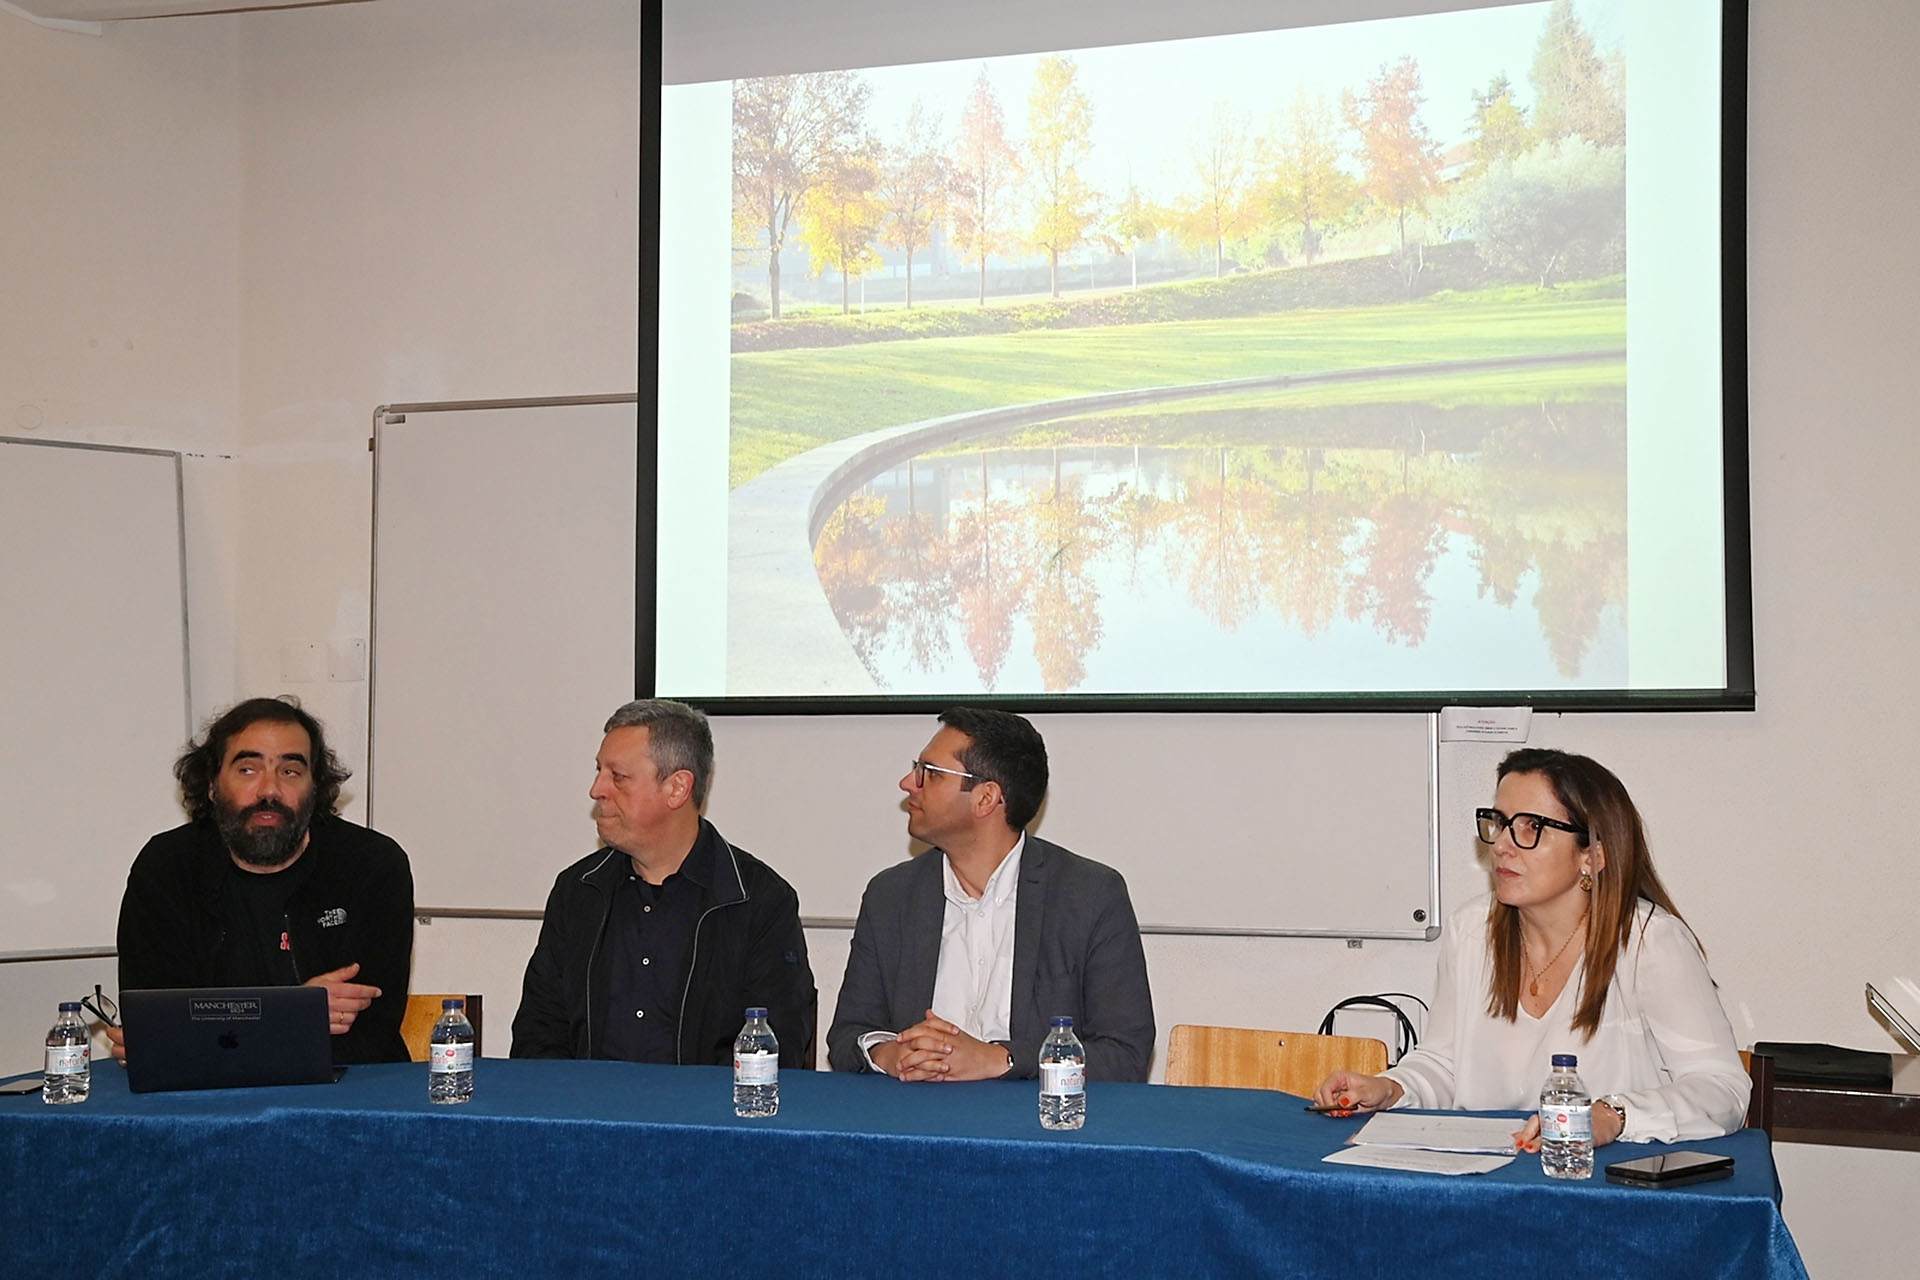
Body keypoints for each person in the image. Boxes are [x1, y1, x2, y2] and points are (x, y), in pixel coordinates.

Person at [1314, 748, 1750, 1147]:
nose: (1502, 844)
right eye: (1500, 823)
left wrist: (1613, 1115)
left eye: (1531, 827)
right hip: (1487, 1177)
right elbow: (1445, 1065)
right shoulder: (1472, 931)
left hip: (1600, 1188)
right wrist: (1390, 1088)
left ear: (1592, 855)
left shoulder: (1649, 942)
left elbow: (1722, 1090)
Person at [827, 707, 1155, 1083]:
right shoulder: (891, 895)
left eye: (929, 774)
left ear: (986, 798)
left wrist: (1000, 1059)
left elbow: (1124, 1054)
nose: (907, 783)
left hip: (1033, 1127)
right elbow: (848, 1033)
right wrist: (891, 1054)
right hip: (915, 1118)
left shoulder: (1089, 895)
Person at [511, 699, 815, 1065]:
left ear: (677, 788)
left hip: (704, 1119)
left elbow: (773, 1051)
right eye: (599, 772)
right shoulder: (579, 891)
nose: (596, 789)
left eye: (617, 777)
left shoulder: (757, 901)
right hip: (586, 1114)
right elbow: (538, 1033)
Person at [114, 696, 414, 1065]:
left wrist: (212, 1036)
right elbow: (153, 1028)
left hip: (346, 1095)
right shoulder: (166, 868)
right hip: (206, 1103)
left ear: (315, 787)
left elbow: (367, 1036)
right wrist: (295, 1014)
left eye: (290, 771)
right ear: (211, 784)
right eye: (248, 769)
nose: (269, 790)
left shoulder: (372, 866)